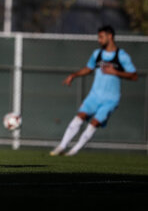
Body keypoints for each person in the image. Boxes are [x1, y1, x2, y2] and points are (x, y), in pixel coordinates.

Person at [50, 25, 137, 156]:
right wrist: (73, 75)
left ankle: (73, 151)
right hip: (94, 96)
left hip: (110, 99)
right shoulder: (97, 54)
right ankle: (62, 146)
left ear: (110, 36)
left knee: (94, 123)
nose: (99, 40)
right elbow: (88, 68)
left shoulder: (122, 56)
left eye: (101, 37)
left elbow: (133, 75)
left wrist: (116, 72)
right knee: (79, 116)